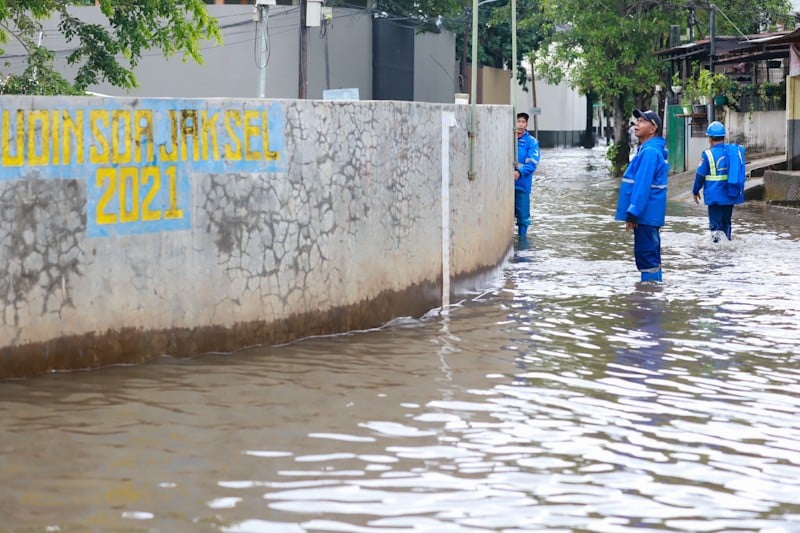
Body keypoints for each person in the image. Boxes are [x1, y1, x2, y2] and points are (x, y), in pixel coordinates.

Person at [614, 109, 669, 283]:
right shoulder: (648, 149)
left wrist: (633, 212)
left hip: (645, 215)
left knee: (647, 258)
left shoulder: (650, 152)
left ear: (653, 128)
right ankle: (653, 295)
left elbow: (642, 185)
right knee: (650, 257)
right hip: (648, 215)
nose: (636, 124)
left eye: (641, 121)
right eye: (636, 121)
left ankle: (649, 301)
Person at [692, 121, 745, 242]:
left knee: (716, 229)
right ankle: (727, 250)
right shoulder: (732, 152)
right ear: (724, 137)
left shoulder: (707, 154)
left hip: (715, 198)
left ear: (710, 138)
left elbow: (700, 175)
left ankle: (716, 254)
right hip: (730, 194)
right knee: (726, 224)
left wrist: (695, 190)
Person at [514, 112, 541, 238]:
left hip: (522, 185)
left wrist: (519, 173)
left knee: (523, 218)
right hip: (503, 186)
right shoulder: (506, 138)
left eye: (523, 122)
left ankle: (522, 243)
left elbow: (532, 164)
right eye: (518, 121)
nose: (520, 124)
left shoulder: (532, 142)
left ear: (526, 124)